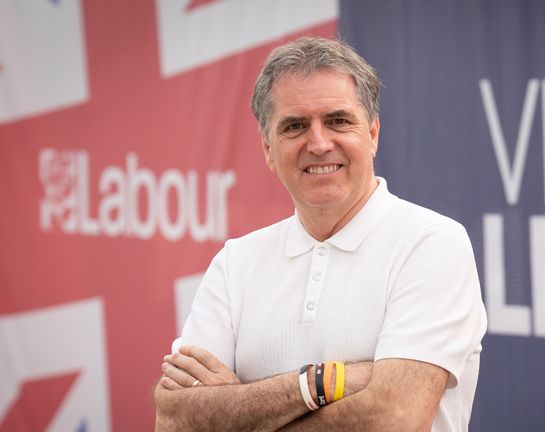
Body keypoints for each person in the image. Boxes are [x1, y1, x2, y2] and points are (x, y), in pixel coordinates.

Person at [154, 36, 487, 431]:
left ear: (373, 133)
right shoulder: (236, 262)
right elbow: (174, 420)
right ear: (267, 149)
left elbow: (396, 418)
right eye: (295, 127)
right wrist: (326, 382)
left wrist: (237, 411)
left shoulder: (432, 244)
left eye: (338, 121)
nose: (319, 143)